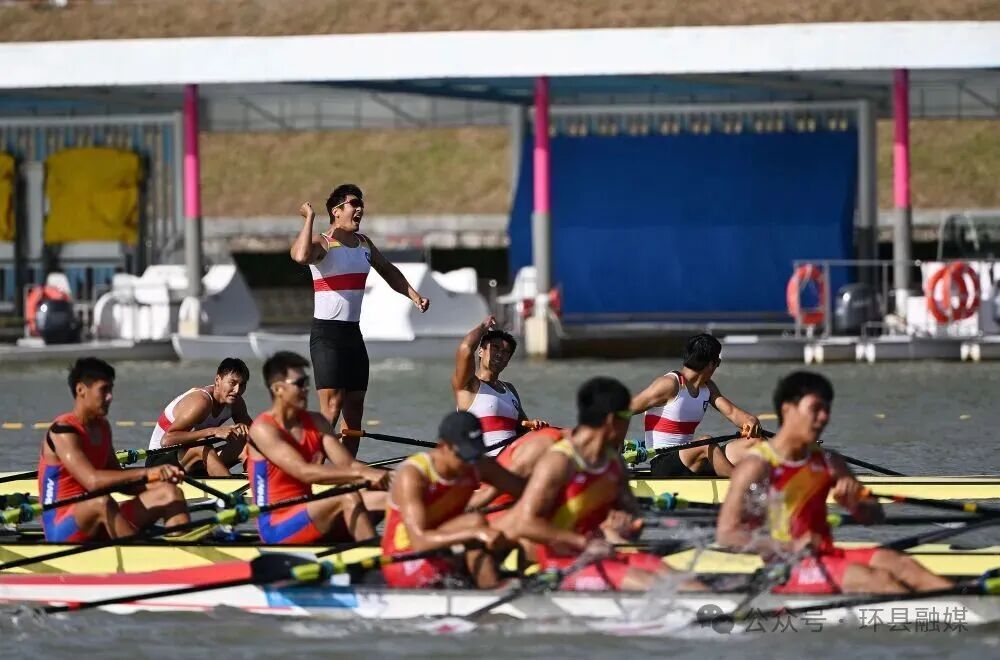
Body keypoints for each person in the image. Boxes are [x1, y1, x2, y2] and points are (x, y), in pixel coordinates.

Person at [716, 371, 953, 594]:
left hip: (827, 555)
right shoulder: (757, 466)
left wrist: (858, 504)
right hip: (786, 566)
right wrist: (790, 547)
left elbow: (874, 517)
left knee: (903, 565)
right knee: (877, 579)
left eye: (827, 410)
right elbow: (727, 535)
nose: (824, 418)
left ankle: (964, 604)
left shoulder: (830, 461)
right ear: (788, 410)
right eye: (815, 409)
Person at [499, 377, 702, 591]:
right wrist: (584, 543)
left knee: (681, 580)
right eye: (627, 416)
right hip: (562, 563)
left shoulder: (614, 463)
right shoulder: (559, 462)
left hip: (602, 552)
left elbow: (632, 515)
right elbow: (524, 524)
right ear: (612, 420)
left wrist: (628, 525)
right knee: (650, 583)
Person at [290, 184, 430, 456]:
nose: (360, 209)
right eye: (354, 204)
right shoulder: (323, 243)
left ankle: (347, 469)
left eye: (361, 204)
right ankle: (310, 469)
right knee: (332, 408)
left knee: (354, 415)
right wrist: (309, 219)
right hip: (327, 336)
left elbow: (387, 270)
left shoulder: (364, 243)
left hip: (353, 336)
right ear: (336, 211)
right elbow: (300, 256)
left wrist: (414, 295)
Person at [246, 351, 391, 545]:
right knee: (347, 496)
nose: (306, 389)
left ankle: (408, 549)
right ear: (278, 389)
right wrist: (364, 474)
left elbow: (348, 465)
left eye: (307, 382)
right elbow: (304, 472)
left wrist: (394, 477)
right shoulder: (263, 429)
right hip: (277, 525)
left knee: (391, 497)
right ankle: (376, 557)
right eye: (299, 383)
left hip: (311, 514)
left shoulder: (317, 422)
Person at [37, 357, 189, 542]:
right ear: (81, 390)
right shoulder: (63, 431)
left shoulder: (102, 427)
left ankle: (183, 548)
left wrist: (158, 479)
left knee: (170, 493)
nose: (110, 397)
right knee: (101, 502)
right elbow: (93, 481)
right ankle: (142, 554)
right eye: (104, 390)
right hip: (62, 528)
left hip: (102, 516)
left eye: (111, 389)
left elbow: (122, 482)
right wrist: (148, 472)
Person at [381, 411, 525, 589]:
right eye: (464, 455)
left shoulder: (477, 464)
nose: (470, 463)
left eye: (475, 454)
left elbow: (527, 492)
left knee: (516, 522)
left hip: (447, 546)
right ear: (443, 446)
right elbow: (420, 541)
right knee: (475, 522)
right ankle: (492, 589)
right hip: (406, 559)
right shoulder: (414, 475)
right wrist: (476, 533)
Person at [630, 333, 762, 477]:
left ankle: (772, 480)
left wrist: (750, 421)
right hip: (663, 463)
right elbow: (625, 408)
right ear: (711, 364)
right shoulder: (670, 384)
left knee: (756, 443)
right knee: (706, 443)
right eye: (718, 362)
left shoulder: (708, 387)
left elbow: (732, 413)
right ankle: (743, 485)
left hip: (691, 459)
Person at [452, 315, 546, 456]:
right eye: (495, 348)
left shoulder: (509, 389)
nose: (500, 355)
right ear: (480, 351)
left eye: (505, 352)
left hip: (511, 456)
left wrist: (533, 425)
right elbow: (465, 349)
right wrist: (483, 327)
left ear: (508, 361)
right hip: (484, 459)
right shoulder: (469, 384)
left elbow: (523, 428)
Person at [146, 358, 253, 477]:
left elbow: (256, 436)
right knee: (202, 447)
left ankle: (254, 481)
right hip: (160, 460)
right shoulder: (201, 401)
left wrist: (245, 429)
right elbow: (167, 440)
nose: (237, 390)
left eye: (242, 385)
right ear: (218, 380)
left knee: (248, 445)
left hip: (193, 458)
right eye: (232, 383)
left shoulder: (236, 403)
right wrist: (214, 431)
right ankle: (230, 487)